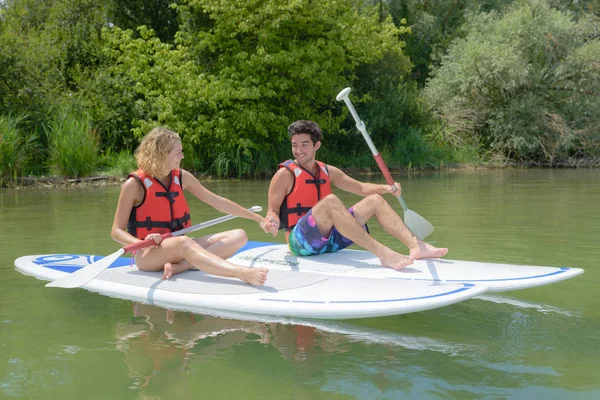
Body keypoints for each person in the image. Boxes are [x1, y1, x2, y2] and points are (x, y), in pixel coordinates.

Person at [264, 120, 448, 270]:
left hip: (330, 241)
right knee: (331, 202)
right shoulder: (284, 175)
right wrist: (271, 220)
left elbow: (361, 188)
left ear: (316, 145)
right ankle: (383, 253)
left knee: (375, 200)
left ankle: (416, 246)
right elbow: (272, 211)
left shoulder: (328, 171)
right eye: (294, 145)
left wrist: (387, 188)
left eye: (304, 145)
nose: (298, 150)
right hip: (301, 244)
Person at [111, 127, 275, 285]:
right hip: (148, 254)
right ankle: (240, 273)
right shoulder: (134, 185)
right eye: (178, 152)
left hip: (178, 246)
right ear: (162, 154)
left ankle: (180, 267)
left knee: (239, 235)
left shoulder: (182, 177)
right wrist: (144, 242)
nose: (182, 156)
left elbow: (218, 202)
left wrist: (258, 218)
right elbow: (116, 231)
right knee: (184, 242)